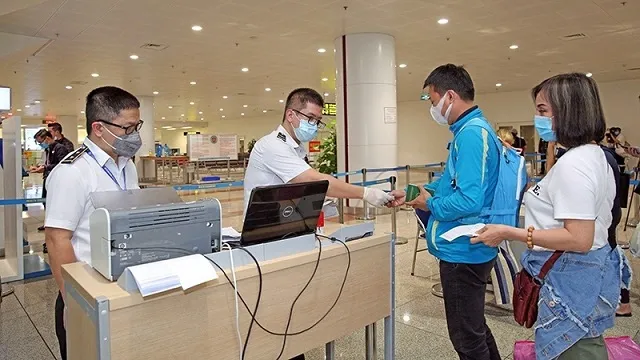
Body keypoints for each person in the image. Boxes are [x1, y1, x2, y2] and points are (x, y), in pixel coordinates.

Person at [472, 73, 628, 359]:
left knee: (573, 348)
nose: (537, 118)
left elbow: (579, 238)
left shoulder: (575, 165)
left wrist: (509, 233)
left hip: (571, 278)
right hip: (587, 275)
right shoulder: (593, 155)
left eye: (543, 110)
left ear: (570, 111)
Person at [388, 64, 502, 360]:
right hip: (468, 247)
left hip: (463, 251)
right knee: (474, 328)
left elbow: (468, 201)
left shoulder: (471, 134)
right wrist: (415, 193)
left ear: (450, 96)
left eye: (432, 99)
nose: (433, 107)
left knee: (467, 339)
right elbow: (452, 181)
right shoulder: (469, 130)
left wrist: (430, 204)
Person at [44, 86, 142, 360]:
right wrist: (74, 302)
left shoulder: (126, 165)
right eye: (127, 127)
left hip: (122, 285)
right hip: (86, 294)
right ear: (98, 128)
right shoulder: (72, 172)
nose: (134, 135)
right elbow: (57, 240)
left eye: (137, 126)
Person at [243, 87, 393, 217]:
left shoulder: (296, 148)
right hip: (264, 228)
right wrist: (365, 193)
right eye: (310, 118)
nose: (314, 125)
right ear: (290, 115)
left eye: (317, 120)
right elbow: (313, 180)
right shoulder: (272, 145)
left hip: (287, 222)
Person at [29, 129, 71, 238]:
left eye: (40, 142)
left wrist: (45, 168)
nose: (40, 144)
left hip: (56, 181)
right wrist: (41, 167)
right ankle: (49, 223)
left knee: (54, 203)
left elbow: (62, 165)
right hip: (47, 179)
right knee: (45, 202)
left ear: (47, 138)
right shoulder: (48, 149)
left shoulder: (60, 148)